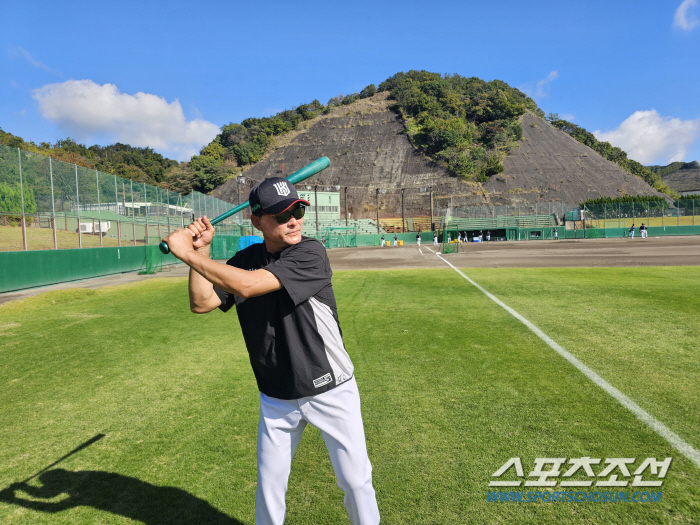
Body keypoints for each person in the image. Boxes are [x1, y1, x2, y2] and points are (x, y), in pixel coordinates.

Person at [163, 177, 380, 525]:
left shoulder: (311, 252)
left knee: (355, 482)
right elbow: (203, 302)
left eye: (297, 211)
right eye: (281, 215)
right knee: (270, 487)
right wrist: (200, 255)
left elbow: (249, 285)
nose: (293, 220)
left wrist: (185, 252)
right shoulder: (244, 260)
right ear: (258, 221)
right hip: (276, 394)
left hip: (330, 387)